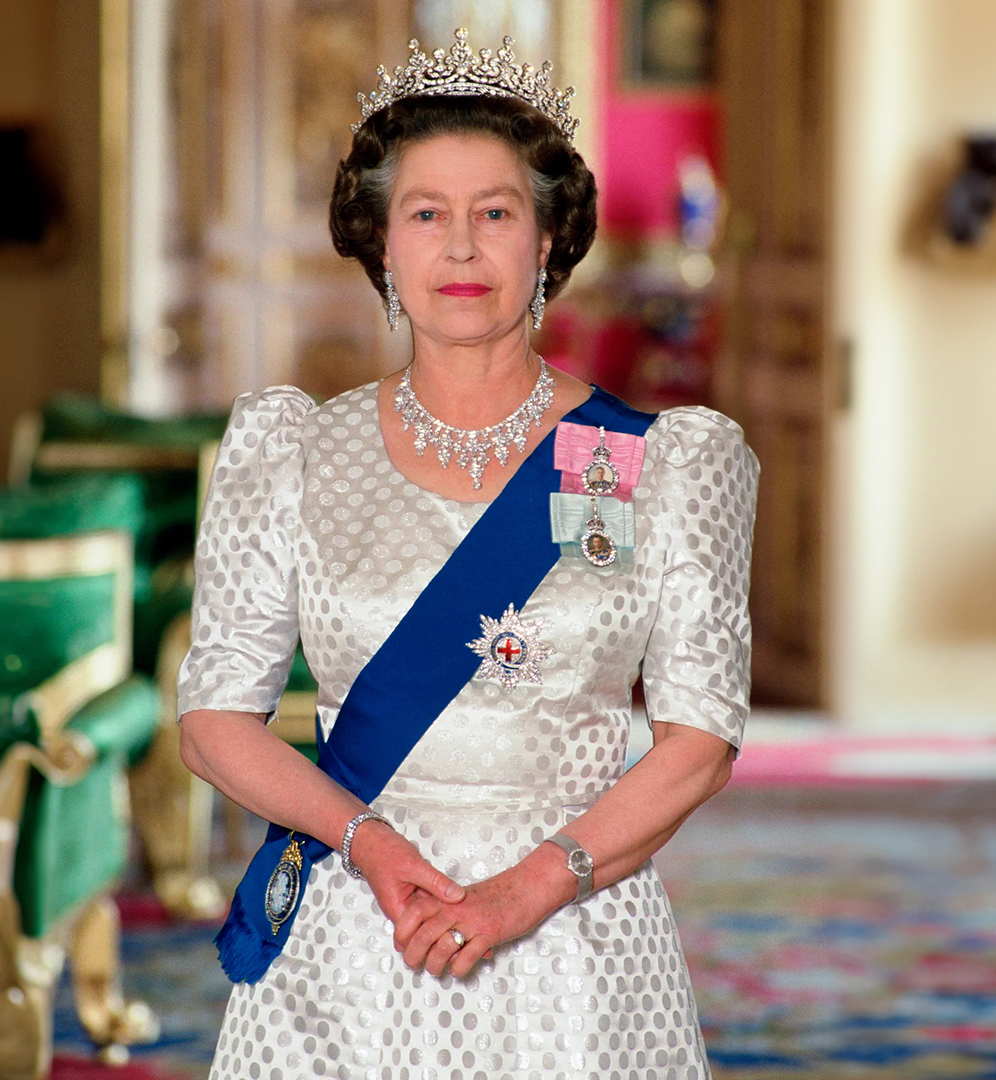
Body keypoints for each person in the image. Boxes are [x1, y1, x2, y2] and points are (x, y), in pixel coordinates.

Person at [179, 28, 758, 1080]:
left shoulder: (656, 463)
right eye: (425, 214)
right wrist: (371, 846)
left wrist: (531, 887)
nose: (460, 248)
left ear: (545, 243)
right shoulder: (294, 452)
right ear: (382, 245)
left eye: (495, 214)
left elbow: (702, 739)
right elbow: (214, 722)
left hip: (579, 937)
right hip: (358, 932)